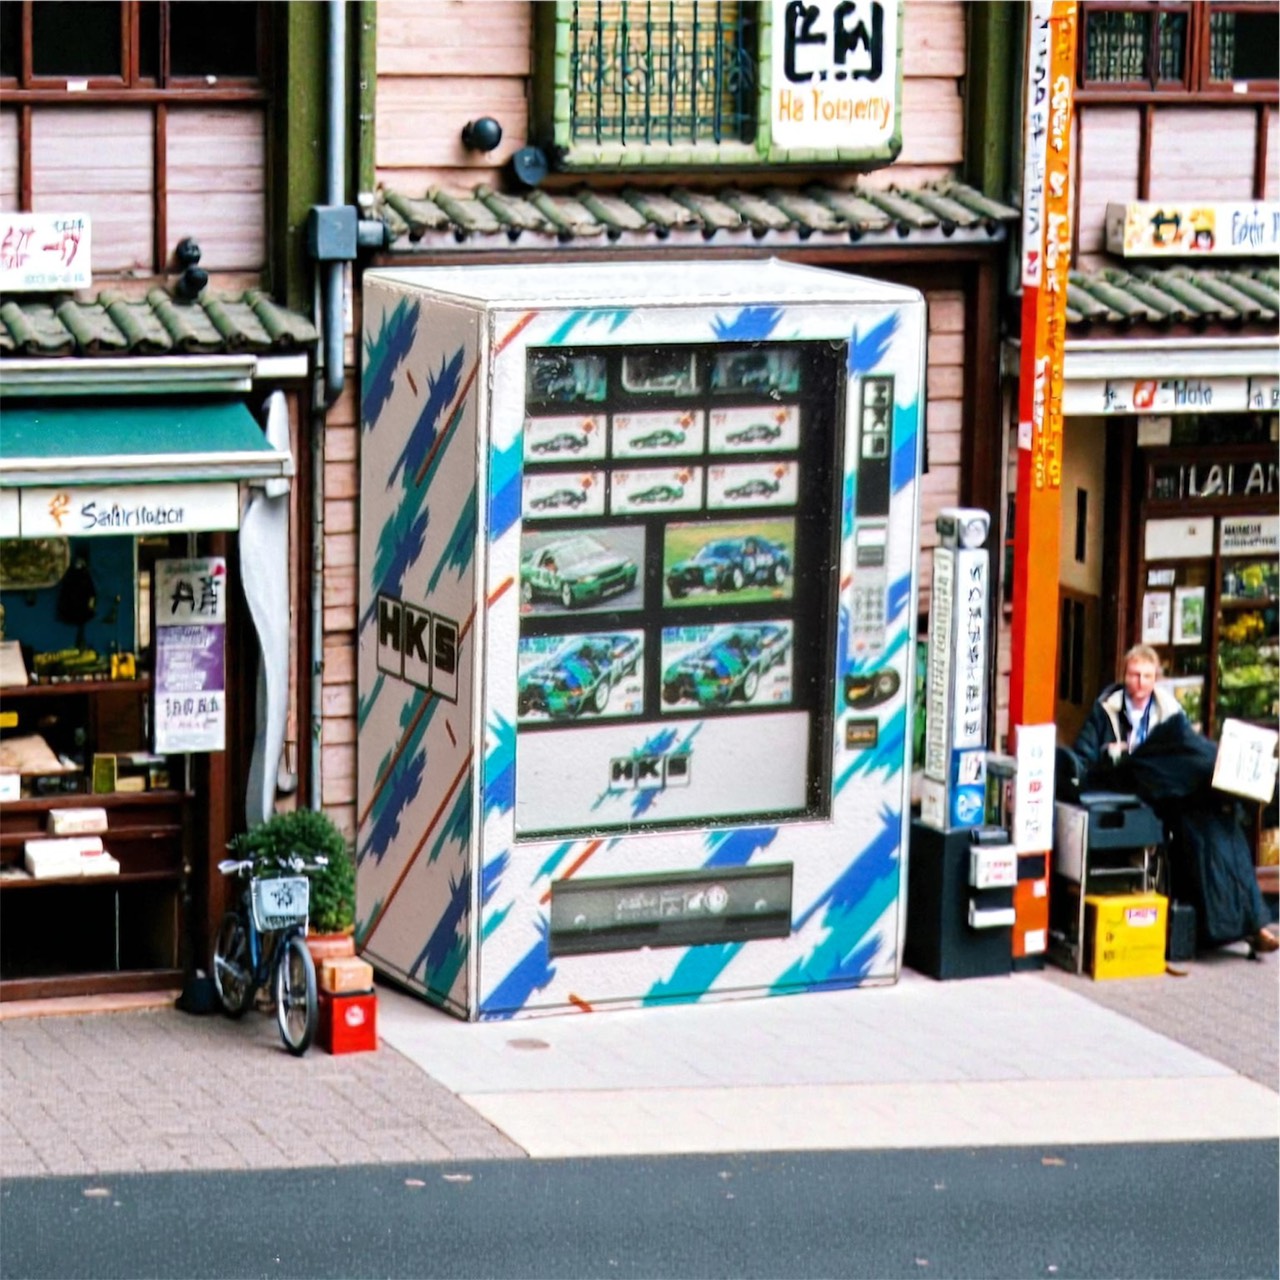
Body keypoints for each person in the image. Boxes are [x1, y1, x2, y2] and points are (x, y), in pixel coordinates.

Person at [1068, 644, 1278, 955]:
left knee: (1220, 828)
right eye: (1134, 675)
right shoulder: (1106, 710)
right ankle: (1243, 924)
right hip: (1137, 787)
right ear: (1124, 676)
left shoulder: (1170, 711)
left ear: (1157, 679)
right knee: (1170, 753)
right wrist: (1112, 754)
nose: (1139, 682)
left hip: (1176, 794)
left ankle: (1251, 922)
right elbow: (1083, 757)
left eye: (1147, 676)